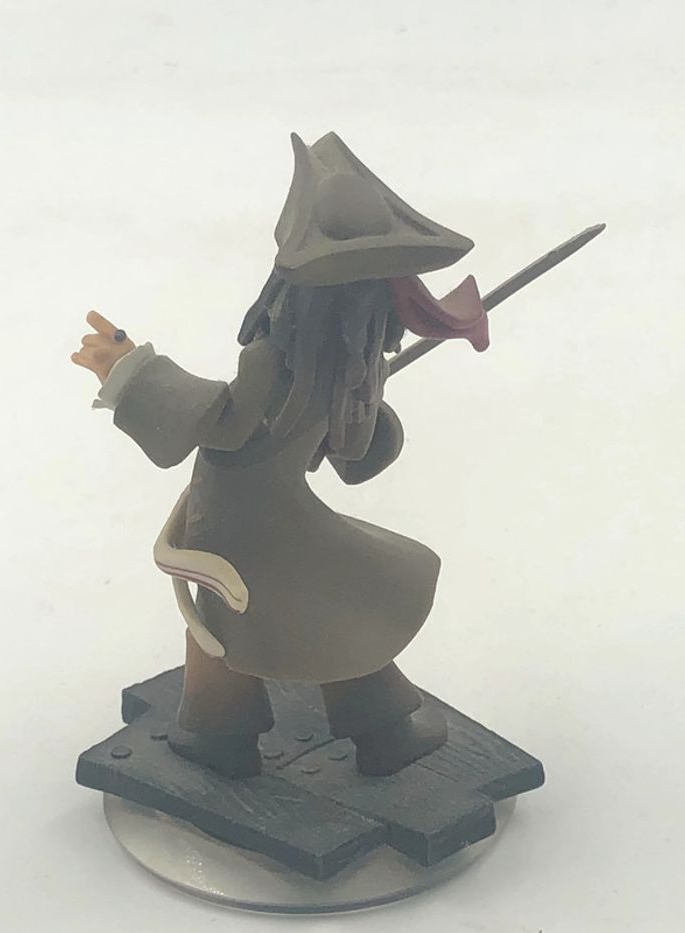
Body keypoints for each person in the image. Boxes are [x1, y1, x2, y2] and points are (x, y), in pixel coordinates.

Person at [72, 132, 489, 778]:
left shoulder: (303, 368)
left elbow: (239, 426)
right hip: (250, 523)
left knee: (298, 606)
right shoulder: (331, 368)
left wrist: (131, 374)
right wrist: (354, 405)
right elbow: (334, 450)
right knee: (331, 599)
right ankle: (363, 727)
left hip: (244, 524)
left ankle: (225, 732)